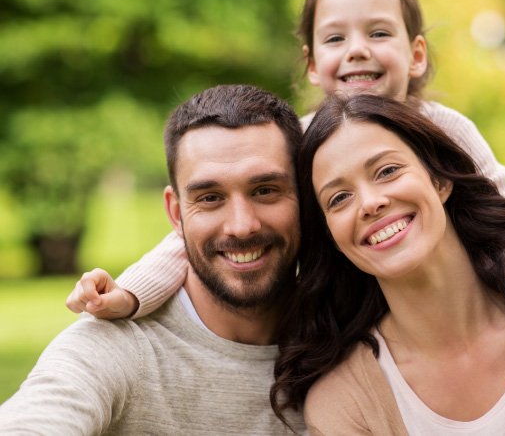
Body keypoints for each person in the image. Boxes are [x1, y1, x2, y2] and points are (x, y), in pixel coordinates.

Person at [66, 0, 505, 336]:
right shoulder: (300, 141)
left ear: (415, 54)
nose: (357, 50)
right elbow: (199, 230)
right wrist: (132, 293)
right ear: (313, 64)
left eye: (379, 33)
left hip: (458, 317)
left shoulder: (445, 129)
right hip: (354, 324)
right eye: (336, 38)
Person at [271, 93, 505, 435]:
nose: (369, 202)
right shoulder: (343, 403)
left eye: (386, 171)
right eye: (339, 198)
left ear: (440, 180)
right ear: (331, 236)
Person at [0, 85, 306, 435]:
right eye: (210, 197)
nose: (241, 226)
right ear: (176, 213)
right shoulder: (116, 347)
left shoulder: (350, 334)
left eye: (265, 190)